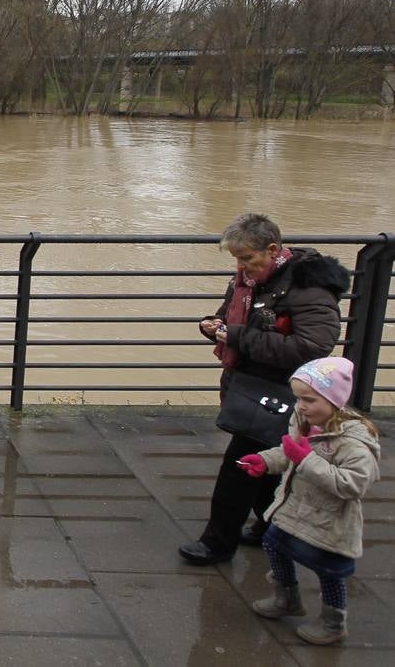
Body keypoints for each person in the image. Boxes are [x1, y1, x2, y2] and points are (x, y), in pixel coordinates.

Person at [179, 213, 350, 566]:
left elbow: (312, 347)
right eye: (237, 259)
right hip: (251, 384)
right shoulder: (249, 280)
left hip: (282, 392)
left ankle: (217, 543)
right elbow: (231, 317)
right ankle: (272, 527)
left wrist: (236, 336)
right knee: (266, 464)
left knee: (240, 467)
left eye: (247, 259)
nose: (241, 267)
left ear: (272, 250)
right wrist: (214, 326)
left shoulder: (308, 288)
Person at [238, 356, 381, 645]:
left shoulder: (353, 442)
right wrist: (266, 461)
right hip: (295, 508)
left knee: (329, 571)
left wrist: (305, 460)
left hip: (330, 521)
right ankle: (286, 596)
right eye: (298, 398)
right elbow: (289, 452)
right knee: (272, 542)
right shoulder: (304, 419)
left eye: (310, 399)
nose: (301, 405)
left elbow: (353, 484)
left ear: (334, 399)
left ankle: (333, 622)